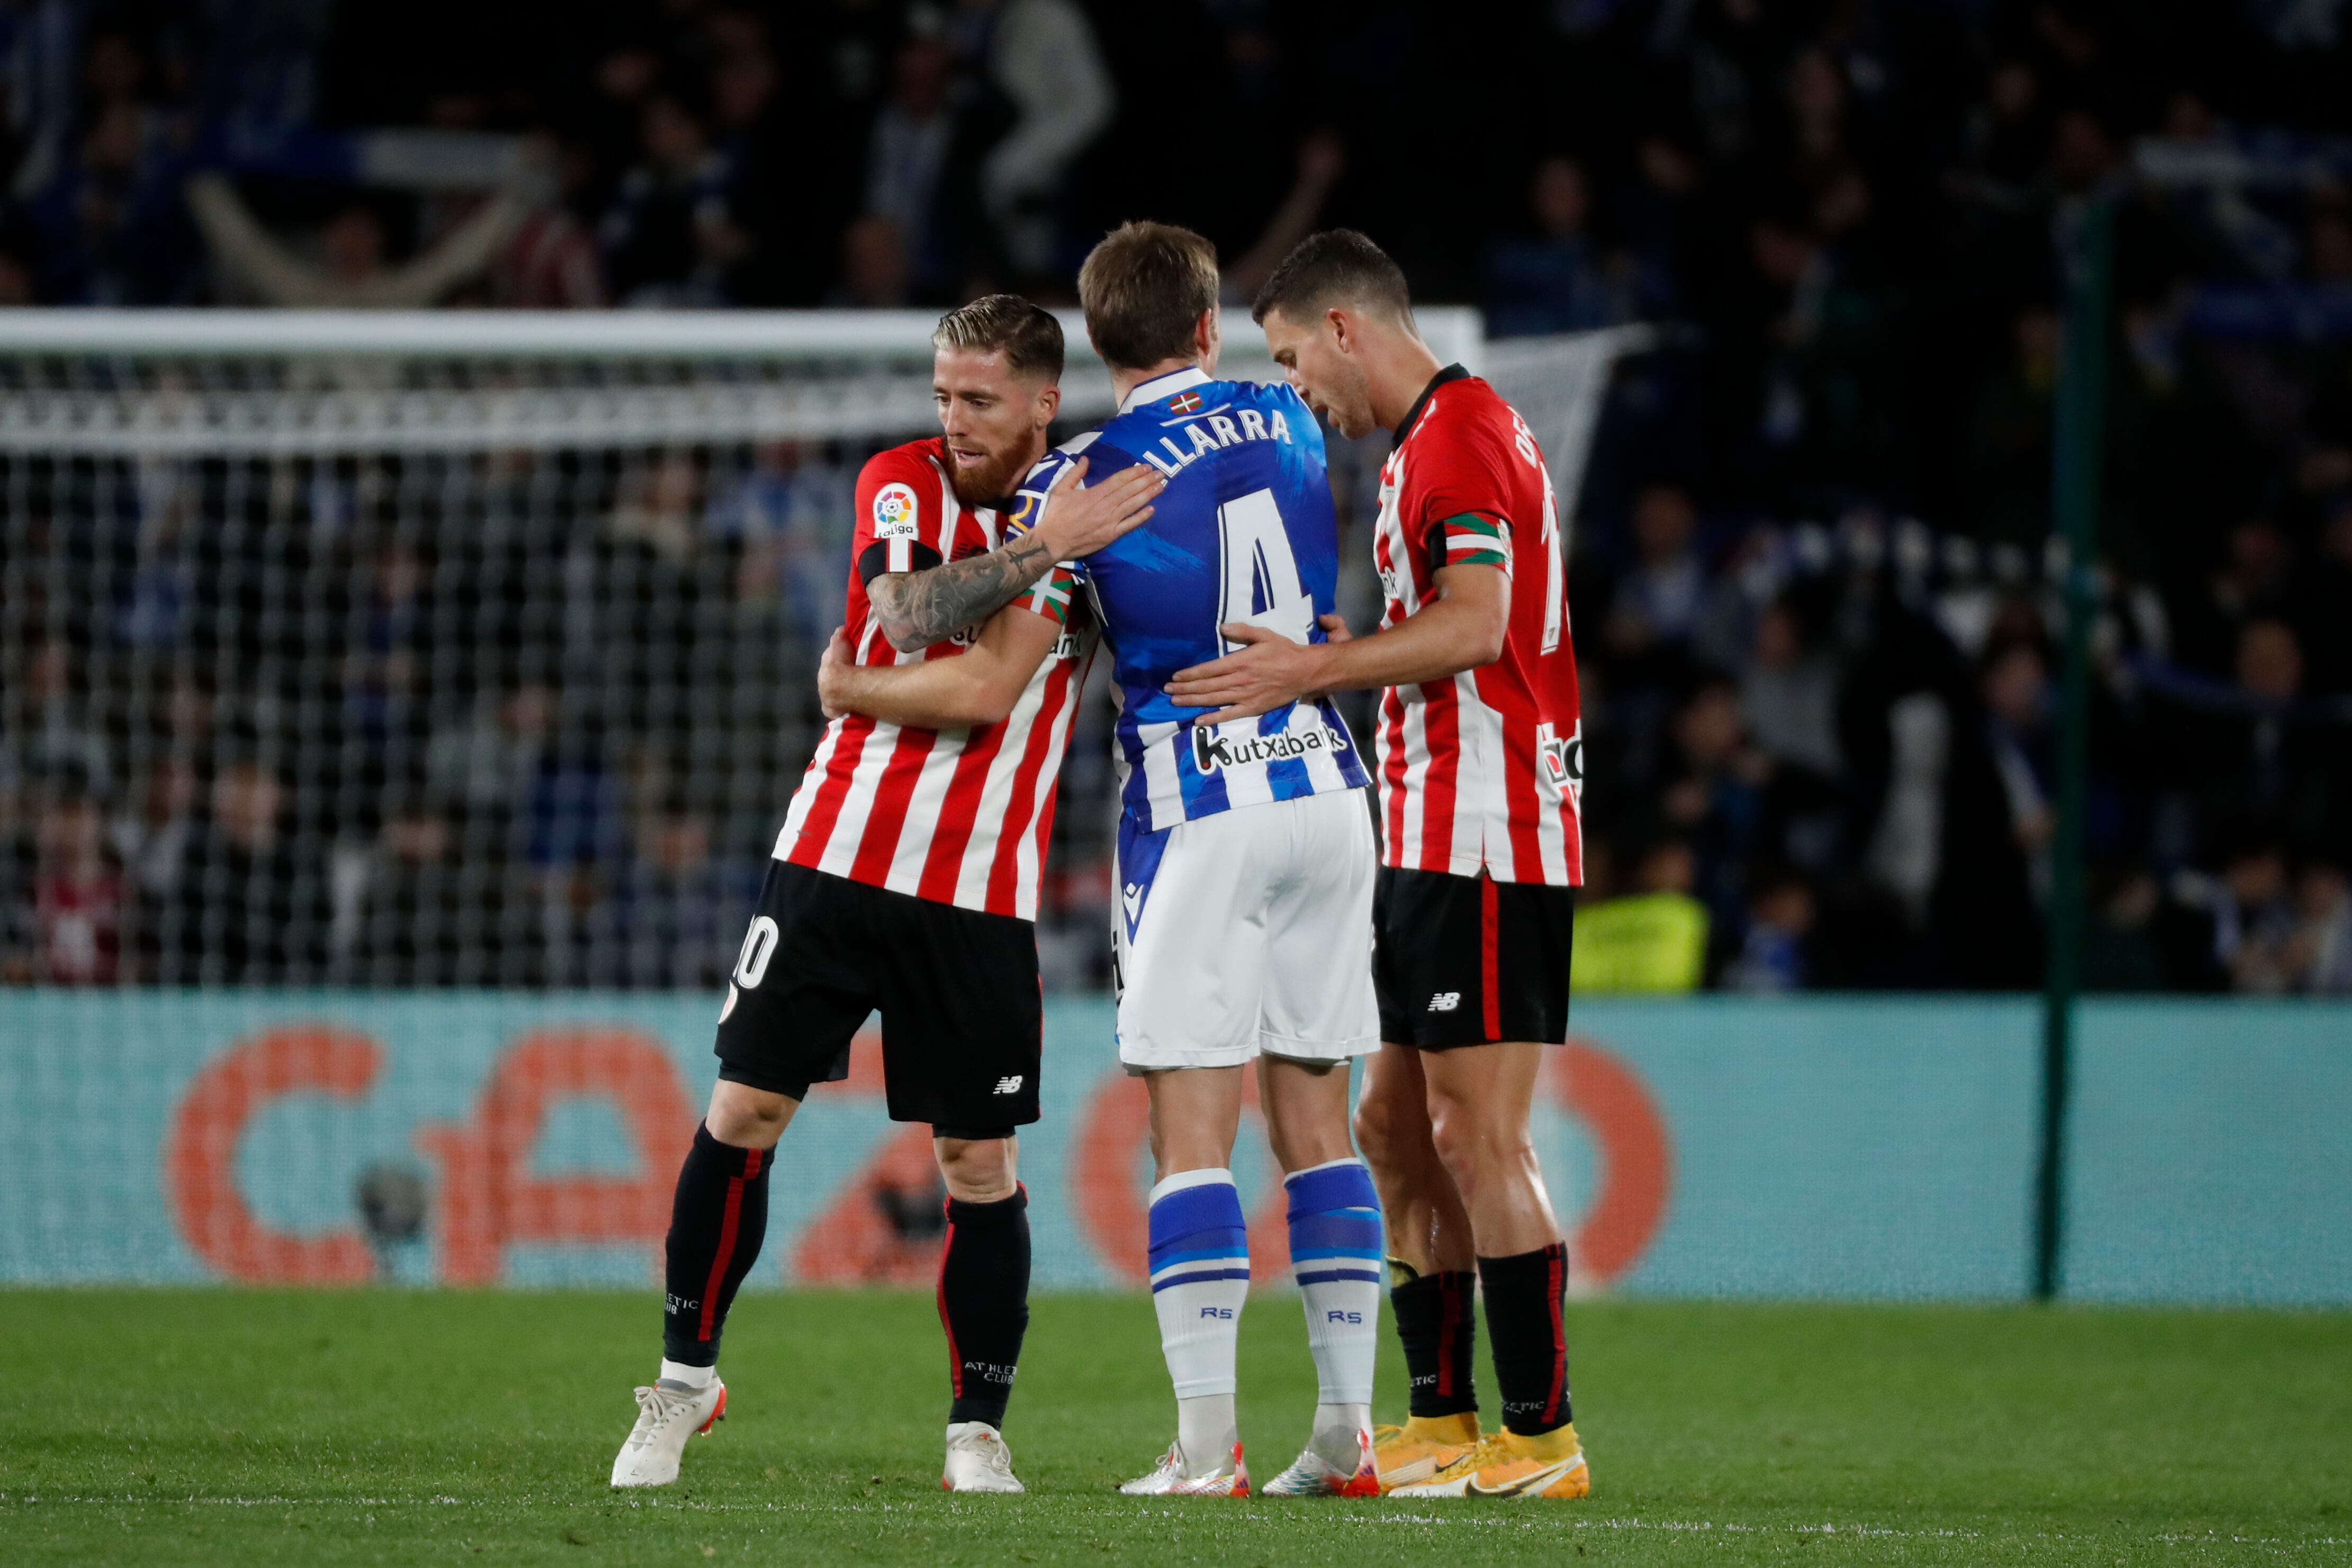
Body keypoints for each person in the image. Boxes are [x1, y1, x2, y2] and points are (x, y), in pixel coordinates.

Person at [820, 222, 1386, 1500]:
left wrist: (1030, 546)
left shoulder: (1078, 480)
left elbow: (939, 618)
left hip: (1199, 801)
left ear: (1091, 348)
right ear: (1206, 328)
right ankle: (1347, 1435)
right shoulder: (1288, 413)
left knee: (1192, 1137)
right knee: (1318, 1123)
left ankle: (1201, 1451)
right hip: (1327, 787)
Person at [608, 295, 1161, 1496]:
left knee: (975, 1163)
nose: (953, 420)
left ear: (1039, 400)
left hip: (978, 891)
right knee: (742, 1115)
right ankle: (683, 1384)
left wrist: (854, 689)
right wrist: (1032, 552)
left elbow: (977, 693)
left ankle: (976, 1428)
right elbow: (910, 611)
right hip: (832, 856)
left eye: (978, 399)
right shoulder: (904, 482)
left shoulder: (1087, 505)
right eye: (942, 396)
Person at [1168, 229, 1590, 1500]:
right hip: (1426, 825)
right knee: (1390, 1127)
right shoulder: (1437, 440)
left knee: (1477, 1136)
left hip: (1485, 827)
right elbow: (1446, 627)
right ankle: (1440, 1420)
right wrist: (1364, 649)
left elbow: (1477, 629)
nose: (1301, 393)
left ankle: (1541, 1435)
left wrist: (1308, 667)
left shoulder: (1457, 438)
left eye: (1297, 361)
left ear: (1344, 328)